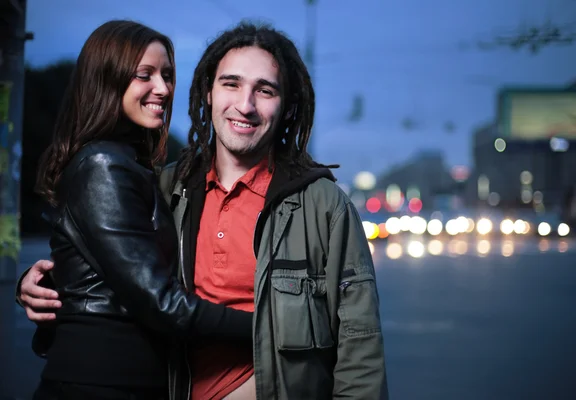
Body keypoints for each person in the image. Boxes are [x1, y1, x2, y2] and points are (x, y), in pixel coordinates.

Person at [20, 21, 389, 399]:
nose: (245, 105)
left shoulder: (323, 206)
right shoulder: (165, 189)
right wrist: (43, 283)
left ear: (285, 105)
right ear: (208, 93)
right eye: (231, 84)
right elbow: (108, 269)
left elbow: (359, 343)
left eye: (265, 90)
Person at [22, 20, 253, 400]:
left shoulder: (127, 164)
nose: (163, 89)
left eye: (167, 75)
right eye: (144, 75)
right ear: (107, 80)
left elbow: (93, 268)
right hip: (101, 384)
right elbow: (162, 303)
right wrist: (269, 327)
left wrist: (38, 283)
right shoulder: (103, 165)